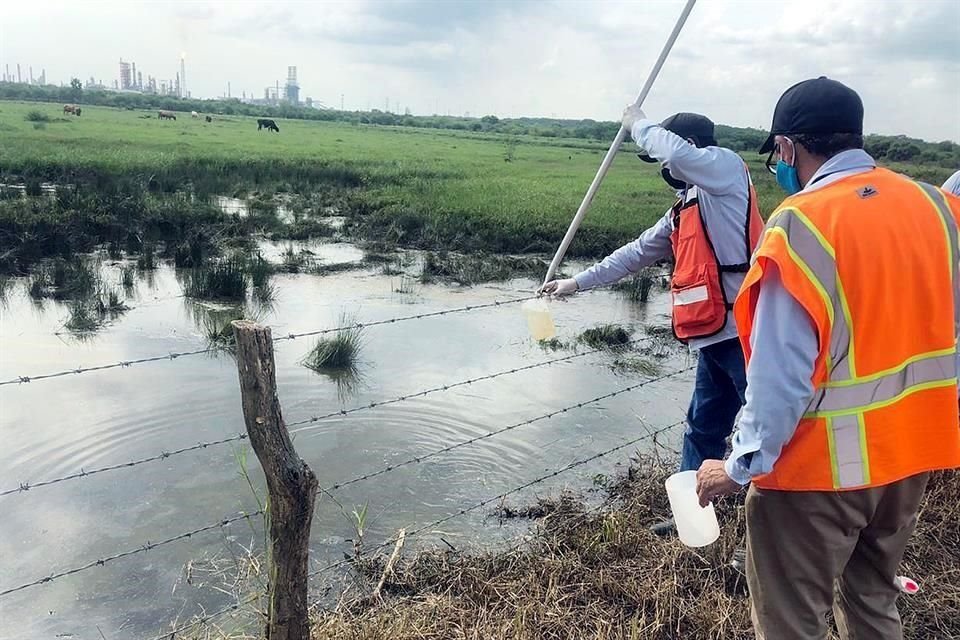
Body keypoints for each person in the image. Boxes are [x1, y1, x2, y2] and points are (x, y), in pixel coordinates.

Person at [695, 76, 960, 640]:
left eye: (777, 156)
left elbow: (778, 381)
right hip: (911, 455)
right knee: (872, 601)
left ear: (788, 147)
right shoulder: (940, 207)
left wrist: (738, 467)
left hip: (815, 474)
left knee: (791, 623)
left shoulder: (800, 225)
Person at [542, 107, 763, 534]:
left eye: (665, 160)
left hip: (748, 334)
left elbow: (674, 151)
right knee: (702, 427)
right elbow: (636, 252)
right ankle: (692, 518)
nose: (664, 169)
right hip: (713, 337)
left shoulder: (726, 170)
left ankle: (766, 528)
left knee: (765, 431)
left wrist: (637, 122)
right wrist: (576, 284)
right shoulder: (684, 208)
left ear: (690, 150)